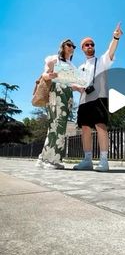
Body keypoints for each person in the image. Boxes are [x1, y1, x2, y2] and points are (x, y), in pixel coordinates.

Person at [73, 23, 123, 172]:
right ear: (82, 48)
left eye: (92, 44)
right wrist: (77, 87)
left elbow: (111, 51)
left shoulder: (101, 61)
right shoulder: (79, 67)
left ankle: (104, 160)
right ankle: (87, 160)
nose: (89, 46)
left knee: (101, 126)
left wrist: (115, 37)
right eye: (86, 45)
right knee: (85, 129)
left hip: (99, 98)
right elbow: (73, 84)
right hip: (83, 101)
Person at [36, 39, 77, 169]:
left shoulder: (71, 66)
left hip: (67, 96)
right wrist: (49, 76)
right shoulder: (55, 59)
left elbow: (72, 84)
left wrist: (81, 87)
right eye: (69, 45)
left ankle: (43, 158)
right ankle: (51, 160)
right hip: (56, 94)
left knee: (58, 126)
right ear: (63, 46)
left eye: (73, 46)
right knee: (57, 124)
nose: (71, 48)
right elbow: (45, 74)